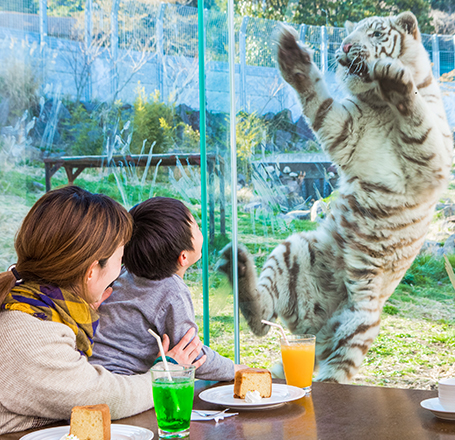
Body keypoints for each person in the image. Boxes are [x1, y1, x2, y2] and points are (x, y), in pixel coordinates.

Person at [0, 187, 205, 435]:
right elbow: (102, 396)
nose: (123, 269)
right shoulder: (29, 332)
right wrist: (166, 373)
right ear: (91, 271)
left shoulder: (35, 306)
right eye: (121, 257)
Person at [90, 197, 245, 381]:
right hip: (127, 385)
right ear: (183, 257)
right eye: (196, 227)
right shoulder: (171, 290)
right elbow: (190, 352)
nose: (200, 229)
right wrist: (234, 369)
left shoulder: (123, 273)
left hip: (94, 374)